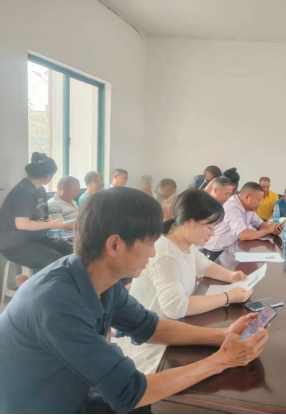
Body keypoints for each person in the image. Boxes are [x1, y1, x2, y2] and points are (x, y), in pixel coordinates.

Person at [0, 188, 268, 414]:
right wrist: (221, 361)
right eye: (149, 242)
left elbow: (149, 327)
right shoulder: (58, 303)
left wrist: (222, 336)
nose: (152, 253)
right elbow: (130, 392)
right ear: (115, 245)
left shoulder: (100, 278)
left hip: (75, 391)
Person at [118, 190, 253, 375]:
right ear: (188, 222)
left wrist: (231, 276)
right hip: (155, 343)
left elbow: (203, 265)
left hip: (175, 328)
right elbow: (175, 306)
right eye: (209, 226)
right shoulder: (165, 252)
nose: (213, 233)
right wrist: (228, 296)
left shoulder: (185, 244)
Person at [0, 153, 74, 273]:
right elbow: (22, 224)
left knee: (72, 249)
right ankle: (46, 285)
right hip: (14, 244)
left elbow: (44, 215)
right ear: (49, 176)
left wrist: (55, 227)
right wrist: (51, 225)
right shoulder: (24, 191)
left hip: (35, 237)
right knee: (54, 259)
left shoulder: (40, 189)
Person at [202, 182, 283, 260]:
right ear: (247, 197)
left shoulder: (249, 207)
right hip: (216, 251)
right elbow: (243, 234)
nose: (260, 204)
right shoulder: (233, 208)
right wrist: (267, 230)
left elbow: (260, 224)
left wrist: (273, 228)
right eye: (258, 200)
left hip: (232, 247)